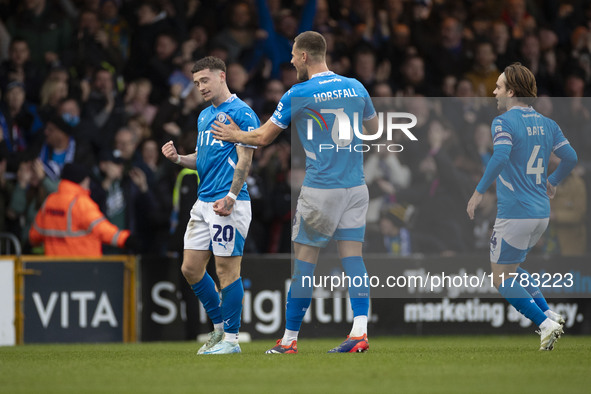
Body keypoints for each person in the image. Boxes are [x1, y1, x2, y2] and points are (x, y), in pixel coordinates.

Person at [212, 31, 378, 354]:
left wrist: (234, 133)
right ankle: (360, 331)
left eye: (292, 55)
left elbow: (261, 138)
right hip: (356, 187)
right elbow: (372, 131)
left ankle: (288, 340)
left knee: (304, 264)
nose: (289, 60)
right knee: (354, 259)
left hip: (321, 189)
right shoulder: (357, 87)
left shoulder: (298, 93)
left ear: (304, 56)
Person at [466, 63, 578, 351]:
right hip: (541, 213)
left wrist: (478, 193)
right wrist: (552, 181)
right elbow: (571, 157)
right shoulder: (548, 124)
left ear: (512, 91)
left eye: (499, 87)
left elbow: (501, 156)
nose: (494, 92)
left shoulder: (503, 121)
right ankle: (549, 314)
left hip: (515, 211)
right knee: (512, 269)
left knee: (500, 278)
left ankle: (544, 323)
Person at [161, 56, 258, 355]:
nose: (200, 87)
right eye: (196, 83)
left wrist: (231, 196)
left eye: (204, 80)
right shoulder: (204, 116)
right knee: (190, 268)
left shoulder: (242, 113)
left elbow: (245, 159)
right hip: (203, 202)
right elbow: (202, 159)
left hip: (228, 202)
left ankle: (231, 340)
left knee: (227, 271)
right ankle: (218, 330)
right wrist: (179, 159)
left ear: (221, 76)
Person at [29, 162, 135, 256]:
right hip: (82, 268)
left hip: (54, 269)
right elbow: (102, 230)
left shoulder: (49, 201)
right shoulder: (81, 203)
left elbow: (34, 236)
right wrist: (126, 239)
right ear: (83, 180)